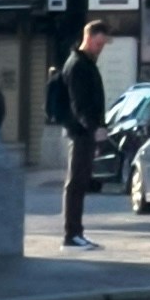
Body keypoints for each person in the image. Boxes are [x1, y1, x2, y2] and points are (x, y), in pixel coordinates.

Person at [54, 17, 110, 251]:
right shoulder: (78, 64)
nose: (100, 49)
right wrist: (93, 128)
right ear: (88, 38)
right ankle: (71, 234)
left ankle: (76, 233)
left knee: (80, 181)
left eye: (103, 45)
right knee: (76, 182)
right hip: (80, 132)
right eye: (98, 44)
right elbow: (79, 103)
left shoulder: (86, 62)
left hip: (85, 131)